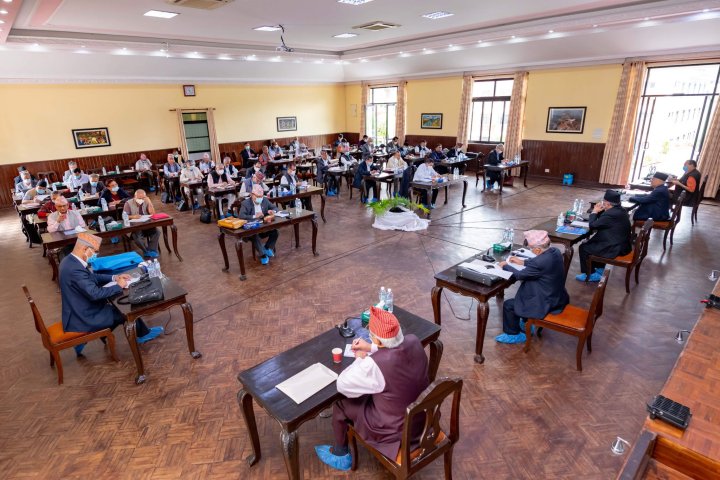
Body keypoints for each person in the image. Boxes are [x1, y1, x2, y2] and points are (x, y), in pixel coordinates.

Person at [314, 307, 429, 471]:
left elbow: (342, 384)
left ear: (380, 341)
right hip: (422, 419)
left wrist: (360, 359)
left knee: (341, 402)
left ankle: (341, 454)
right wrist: (370, 348)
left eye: (371, 336)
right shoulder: (414, 340)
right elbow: (395, 349)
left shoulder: (374, 365)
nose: (370, 338)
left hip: (395, 431)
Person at [59, 232, 162, 355]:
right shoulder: (75, 269)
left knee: (115, 307)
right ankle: (143, 334)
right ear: (85, 248)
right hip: (84, 316)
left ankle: (98, 336)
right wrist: (118, 286)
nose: (95, 255)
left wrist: (114, 277)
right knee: (125, 312)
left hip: (78, 309)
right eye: (94, 251)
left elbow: (91, 277)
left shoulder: (69, 261)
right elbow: (95, 294)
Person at [495, 230, 570, 344]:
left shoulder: (540, 262)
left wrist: (505, 266)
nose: (530, 250)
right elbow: (540, 262)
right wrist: (523, 262)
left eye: (531, 248)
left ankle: (514, 334)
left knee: (509, 305)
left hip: (544, 302)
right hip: (557, 297)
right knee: (525, 293)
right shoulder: (555, 252)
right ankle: (526, 322)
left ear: (538, 249)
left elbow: (520, 275)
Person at [577, 189, 632, 282]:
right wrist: (601, 211)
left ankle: (590, 275)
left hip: (615, 248)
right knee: (591, 243)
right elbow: (604, 221)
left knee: (584, 247)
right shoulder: (620, 210)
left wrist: (594, 212)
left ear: (607, 203)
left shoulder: (611, 214)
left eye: (604, 201)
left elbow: (593, 225)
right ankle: (600, 269)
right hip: (623, 244)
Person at [238, 184, 279, 266]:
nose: (260, 198)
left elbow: (275, 208)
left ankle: (267, 248)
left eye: (261, 196)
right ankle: (263, 255)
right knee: (255, 235)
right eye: (258, 196)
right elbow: (241, 216)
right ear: (252, 195)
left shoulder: (264, 200)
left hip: (263, 226)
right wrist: (254, 216)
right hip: (251, 229)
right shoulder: (245, 203)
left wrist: (272, 211)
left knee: (275, 232)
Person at [123, 189, 160, 257]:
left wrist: (149, 202)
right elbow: (124, 216)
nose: (141, 200)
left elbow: (153, 214)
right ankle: (146, 251)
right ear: (135, 197)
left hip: (146, 224)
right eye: (139, 198)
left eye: (143, 198)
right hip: (135, 226)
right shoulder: (128, 203)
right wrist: (133, 216)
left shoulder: (146, 201)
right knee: (137, 237)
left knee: (157, 232)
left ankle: (152, 250)